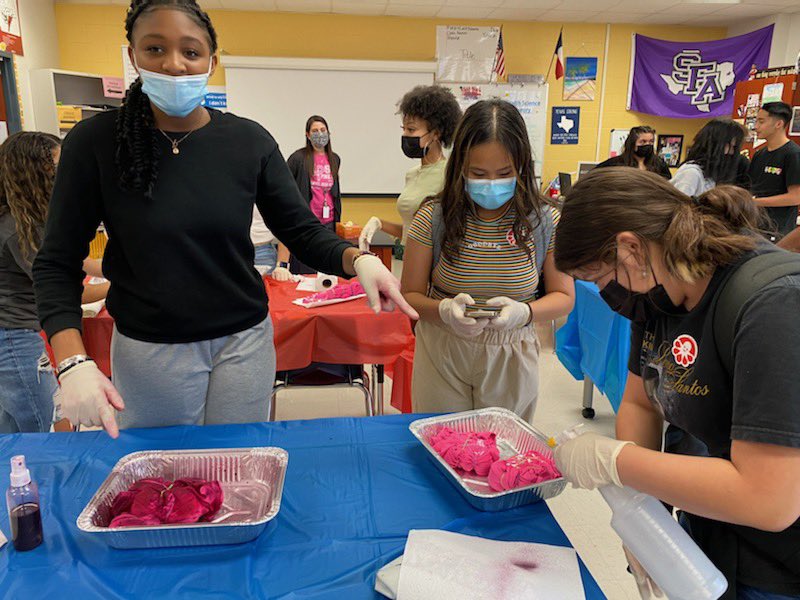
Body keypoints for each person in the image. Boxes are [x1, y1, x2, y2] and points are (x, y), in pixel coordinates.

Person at [33, 0, 416, 439]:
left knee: (240, 468)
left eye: (190, 51)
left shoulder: (247, 140)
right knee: (166, 479)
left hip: (244, 343)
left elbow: (299, 228)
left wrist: (358, 259)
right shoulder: (95, 142)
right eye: (155, 49)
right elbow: (57, 262)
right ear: (133, 55)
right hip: (151, 348)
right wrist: (73, 361)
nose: (174, 64)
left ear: (211, 61)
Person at [553, 167, 800, 600]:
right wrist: (644, 520)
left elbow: (771, 499)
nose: (604, 295)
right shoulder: (659, 294)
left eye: (598, 280)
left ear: (630, 247)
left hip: (782, 556)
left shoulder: (772, 306)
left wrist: (615, 461)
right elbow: (640, 404)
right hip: (717, 525)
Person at [401, 99, 574, 421]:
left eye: (504, 173)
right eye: (478, 173)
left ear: (522, 166)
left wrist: (524, 312)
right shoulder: (433, 217)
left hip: (511, 350)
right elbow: (409, 294)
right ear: (460, 168)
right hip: (443, 347)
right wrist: (442, 310)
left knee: (503, 452)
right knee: (441, 445)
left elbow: (564, 297)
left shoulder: (546, 221)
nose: (491, 183)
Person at [0, 132, 107, 433]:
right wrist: (122, 287)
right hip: (14, 339)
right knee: (47, 424)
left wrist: (119, 268)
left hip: (15, 335)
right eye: (58, 166)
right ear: (35, 170)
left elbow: (71, 262)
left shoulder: (22, 218)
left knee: (13, 427)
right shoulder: (17, 228)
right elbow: (64, 287)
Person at [358, 85, 462, 251]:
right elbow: (411, 231)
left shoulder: (450, 173)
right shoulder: (412, 174)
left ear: (436, 133)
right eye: (404, 128)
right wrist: (380, 223)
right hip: (410, 258)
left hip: (435, 263)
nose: (405, 135)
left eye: (411, 129)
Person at [273, 115, 341, 279]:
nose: (320, 134)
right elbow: (285, 186)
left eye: (323, 130)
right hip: (307, 226)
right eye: (315, 131)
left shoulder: (334, 159)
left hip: (329, 225)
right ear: (308, 135)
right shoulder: (298, 158)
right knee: (305, 274)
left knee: (326, 273)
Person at [749, 102, 800, 239]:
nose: (756, 127)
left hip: (777, 232)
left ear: (778, 124)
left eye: (761, 122)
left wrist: (757, 202)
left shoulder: (793, 154)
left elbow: (796, 197)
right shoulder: (759, 154)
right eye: (756, 121)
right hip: (755, 227)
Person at [671, 118, 746, 196]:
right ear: (715, 144)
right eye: (729, 146)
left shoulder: (710, 176)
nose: (731, 152)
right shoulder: (691, 173)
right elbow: (678, 205)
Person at [596, 126, 672, 179]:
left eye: (651, 141)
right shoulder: (616, 163)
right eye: (643, 142)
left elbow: (667, 182)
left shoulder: (659, 163)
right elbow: (593, 175)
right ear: (632, 143)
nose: (647, 145)